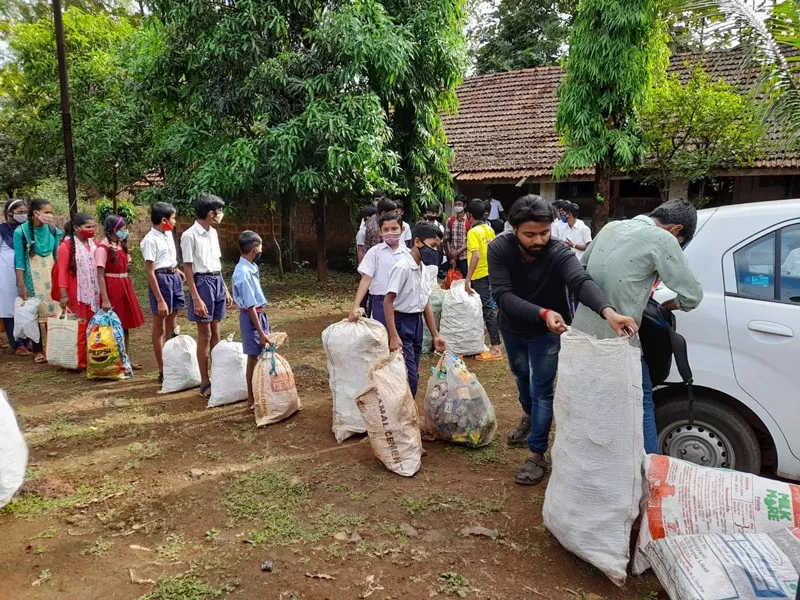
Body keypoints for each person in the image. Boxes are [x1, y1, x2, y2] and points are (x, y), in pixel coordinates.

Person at [488, 194, 638, 486]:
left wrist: (608, 312)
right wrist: (542, 312)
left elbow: (580, 282)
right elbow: (502, 295)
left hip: (548, 332)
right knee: (521, 377)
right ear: (514, 229)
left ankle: (536, 454)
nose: (539, 241)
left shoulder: (558, 252)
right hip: (514, 327)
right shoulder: (499, 248)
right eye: (529, 235)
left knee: (542, 389)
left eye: (544, 233)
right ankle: (530, 418)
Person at [572, 199, 703, 455]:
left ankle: (590, 457)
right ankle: (648, 471)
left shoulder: (611, 228)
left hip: (582, 335)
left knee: (589, 403)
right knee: (640, 403)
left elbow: (581, 270)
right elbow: (692, 296)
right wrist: (667, 307)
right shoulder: (663, 240)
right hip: (618, 341)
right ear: (676, 229)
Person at [384, 222, 447, 396]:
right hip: (401, 322)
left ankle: (407, 408)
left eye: (437, 247)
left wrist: (435, 335)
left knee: (414, 371)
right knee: (408, 374)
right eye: (432, 245)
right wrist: (394, 335)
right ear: (418, 242)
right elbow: (388, 301)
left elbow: (425, 302)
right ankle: (402, 413)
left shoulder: (424, 270)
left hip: (417, 322)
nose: (435, 251)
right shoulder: (403, 267)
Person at [181, 193, 234, 400]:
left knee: (217, 332)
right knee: (205, 335)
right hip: (201, 283)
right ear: (211, 213)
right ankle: (204, 382)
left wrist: (225, 288)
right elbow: (188, 268)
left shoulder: (212, 233)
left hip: (216, 282)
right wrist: (196, 298)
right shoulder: (189, 236)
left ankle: (218, 376)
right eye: (219, 211)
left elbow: (217, 264)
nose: (221, 214)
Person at [140, 202, 186, 381]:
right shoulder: (149, 240)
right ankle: (162, 368)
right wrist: (160, 299)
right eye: (173, 218)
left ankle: (173, 362)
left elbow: (167, 260)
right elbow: (151, 271)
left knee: (172, 322)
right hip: (161, 281)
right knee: (159, 324)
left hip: (173, 277)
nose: (175, 221)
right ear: (164, 220)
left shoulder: (168, 234)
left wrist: (177, 270)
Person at [14, 198, 62, 363]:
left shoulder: (54, 231)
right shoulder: (21, 232)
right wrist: (21, 285)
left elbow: (57, 256)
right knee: (34, 315)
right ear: (35, 213)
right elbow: (19, 261)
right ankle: (38, 350)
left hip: (51, 276)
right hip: (32, 279)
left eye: (51, 212)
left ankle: (54, 348)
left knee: (54, 314)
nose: (50, 215)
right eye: (46, 212)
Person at [97, 215, 145, 370]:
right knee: (112, 327)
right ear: (114, 230)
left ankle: (125, 358)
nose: (126, 232)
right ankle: (113, 360)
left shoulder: (120, 246)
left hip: (124, 286)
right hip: (112, 289)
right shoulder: (102, 249)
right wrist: (105, 298)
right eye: (123, 229)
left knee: (124, 325)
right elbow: (100, 274)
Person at [232, 230, 274, 410]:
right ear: (255, 249)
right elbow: (250, 306)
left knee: (262, 355)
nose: (262, 250)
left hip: (258, 315)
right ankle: (251, 398)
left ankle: (262, 392)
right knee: (253, 357)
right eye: (261, 246)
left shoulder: (250, 268)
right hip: (251, 318)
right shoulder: (243, 273)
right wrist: (262, 332)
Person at [57, 212, 100, 370]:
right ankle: (77, 361)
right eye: (88, 227)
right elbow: (61, 272)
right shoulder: (66, 246)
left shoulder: (93, 244)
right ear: (76, 228)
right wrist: (63, 295)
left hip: (94, 292)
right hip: (77, 293)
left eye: (93, 227)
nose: (91, 229)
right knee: (79, 328)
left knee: (93, 326)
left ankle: (93, 357)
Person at [350, 212, 409, 326]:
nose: (390, 232)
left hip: (402, 301)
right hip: (379, 301)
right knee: (380, 336)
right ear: (380, 231)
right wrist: (356, 305)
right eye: (386, 230)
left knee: (399, 336)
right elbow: (366, 279)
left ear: (402, 229)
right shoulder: (374, 252)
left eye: (394, 228)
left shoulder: (408, 254)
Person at [464, 198, 502, 362]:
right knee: (486, 308)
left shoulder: (473, 232)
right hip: (490, 272)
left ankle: (495, 348)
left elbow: (476, 256)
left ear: (469, 215)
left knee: (487, 309)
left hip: (479, 275)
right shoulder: (488, 229)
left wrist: (468, 278)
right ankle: (486, 343)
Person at [1, 199, 29, 355]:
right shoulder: (1, 229)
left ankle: (27, 340)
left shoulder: (26, 229)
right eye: (20, 212)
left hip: (25, 269)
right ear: (10, 212)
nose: (23, 215)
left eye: (25, 212)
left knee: (26, 305)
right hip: (6, 272)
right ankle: (16, 343)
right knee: (11, 308)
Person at [445, 194, 470, 277]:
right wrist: (451, 254)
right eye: (455, 204)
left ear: (464, 205)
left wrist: (458, 251)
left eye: (459, 204)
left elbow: (470, 240)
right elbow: (447, 238)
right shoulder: (450, 220)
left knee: (465, 278)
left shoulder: (469, 221)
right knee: (452, 279)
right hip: (452, 256)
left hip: (465, 256)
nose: (457, 206)